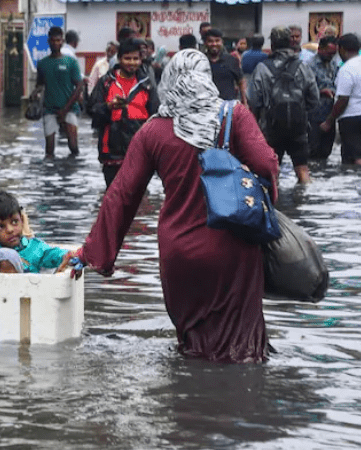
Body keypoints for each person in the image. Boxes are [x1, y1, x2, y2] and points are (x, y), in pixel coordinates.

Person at [62, 49, 279, 363]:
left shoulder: (153, 130)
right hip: (233, 248)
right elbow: (267, 164)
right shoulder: (234, 115)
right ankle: (233, 402)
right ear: (207, 78)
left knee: (192, 344)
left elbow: (121, 196)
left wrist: (94, 254)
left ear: (169, 81)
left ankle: (189, 404)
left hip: (179, 253)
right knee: (241, 350)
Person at [249, 26, 319, 184]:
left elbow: (254, 100)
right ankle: (304, 201)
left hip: (271, 128)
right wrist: (301, 112)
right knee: (302, 170)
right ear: (290, 42)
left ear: (272, 45)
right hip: (298, 127)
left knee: (272, 171)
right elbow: (314, 98)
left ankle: (274, 204)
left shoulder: (262, 68)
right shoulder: (302, 66)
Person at [88, 39, 159, 188]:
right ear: (119, 59)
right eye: (127, 58)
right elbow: (91, 110)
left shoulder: (147, 85)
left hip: (140, 150)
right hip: (111, 151)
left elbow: (156, 117)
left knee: (135, 197)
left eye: (135, 59)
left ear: (141, 60)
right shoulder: (106, 82)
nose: (131, 63)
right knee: (113, 196)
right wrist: (108, 107)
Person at [29, 26, 84, 158]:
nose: (55, 43)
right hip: (49, 109)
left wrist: (65, 109)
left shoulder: (71, 62)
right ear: (48, 41)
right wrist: (35, 93)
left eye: (58, 40)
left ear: (62, 41)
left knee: (73, 147)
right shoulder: (43, 64)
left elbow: (79, 86)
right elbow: (40, 84)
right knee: (49, 151)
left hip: (70, 109)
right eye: (53, 40)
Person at [320, 33, 361, 165]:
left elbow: (343, 99)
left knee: (353, 157)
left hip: (351, 119)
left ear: (342, 49)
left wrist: (329, 120)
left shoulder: (347, 69)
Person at [307, 36, 339, 160]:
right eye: (329, 53)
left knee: (326, 151)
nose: (331, 56)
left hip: (330, 114)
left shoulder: (333, 65)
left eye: (333, 53)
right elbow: (303, 89)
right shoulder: (310, 65)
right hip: (314, 115)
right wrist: (320, 92)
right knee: (312, 151)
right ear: (320, 49)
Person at [203, 28, 248, 105]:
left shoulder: (231, 60)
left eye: (217, 41)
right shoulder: (201, 61)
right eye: (210, 41)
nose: (214, 44)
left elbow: (241, 81)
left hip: (228, 108)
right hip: (206, 108)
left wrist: (245, 102)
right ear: (205, 43)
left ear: (221, 42)